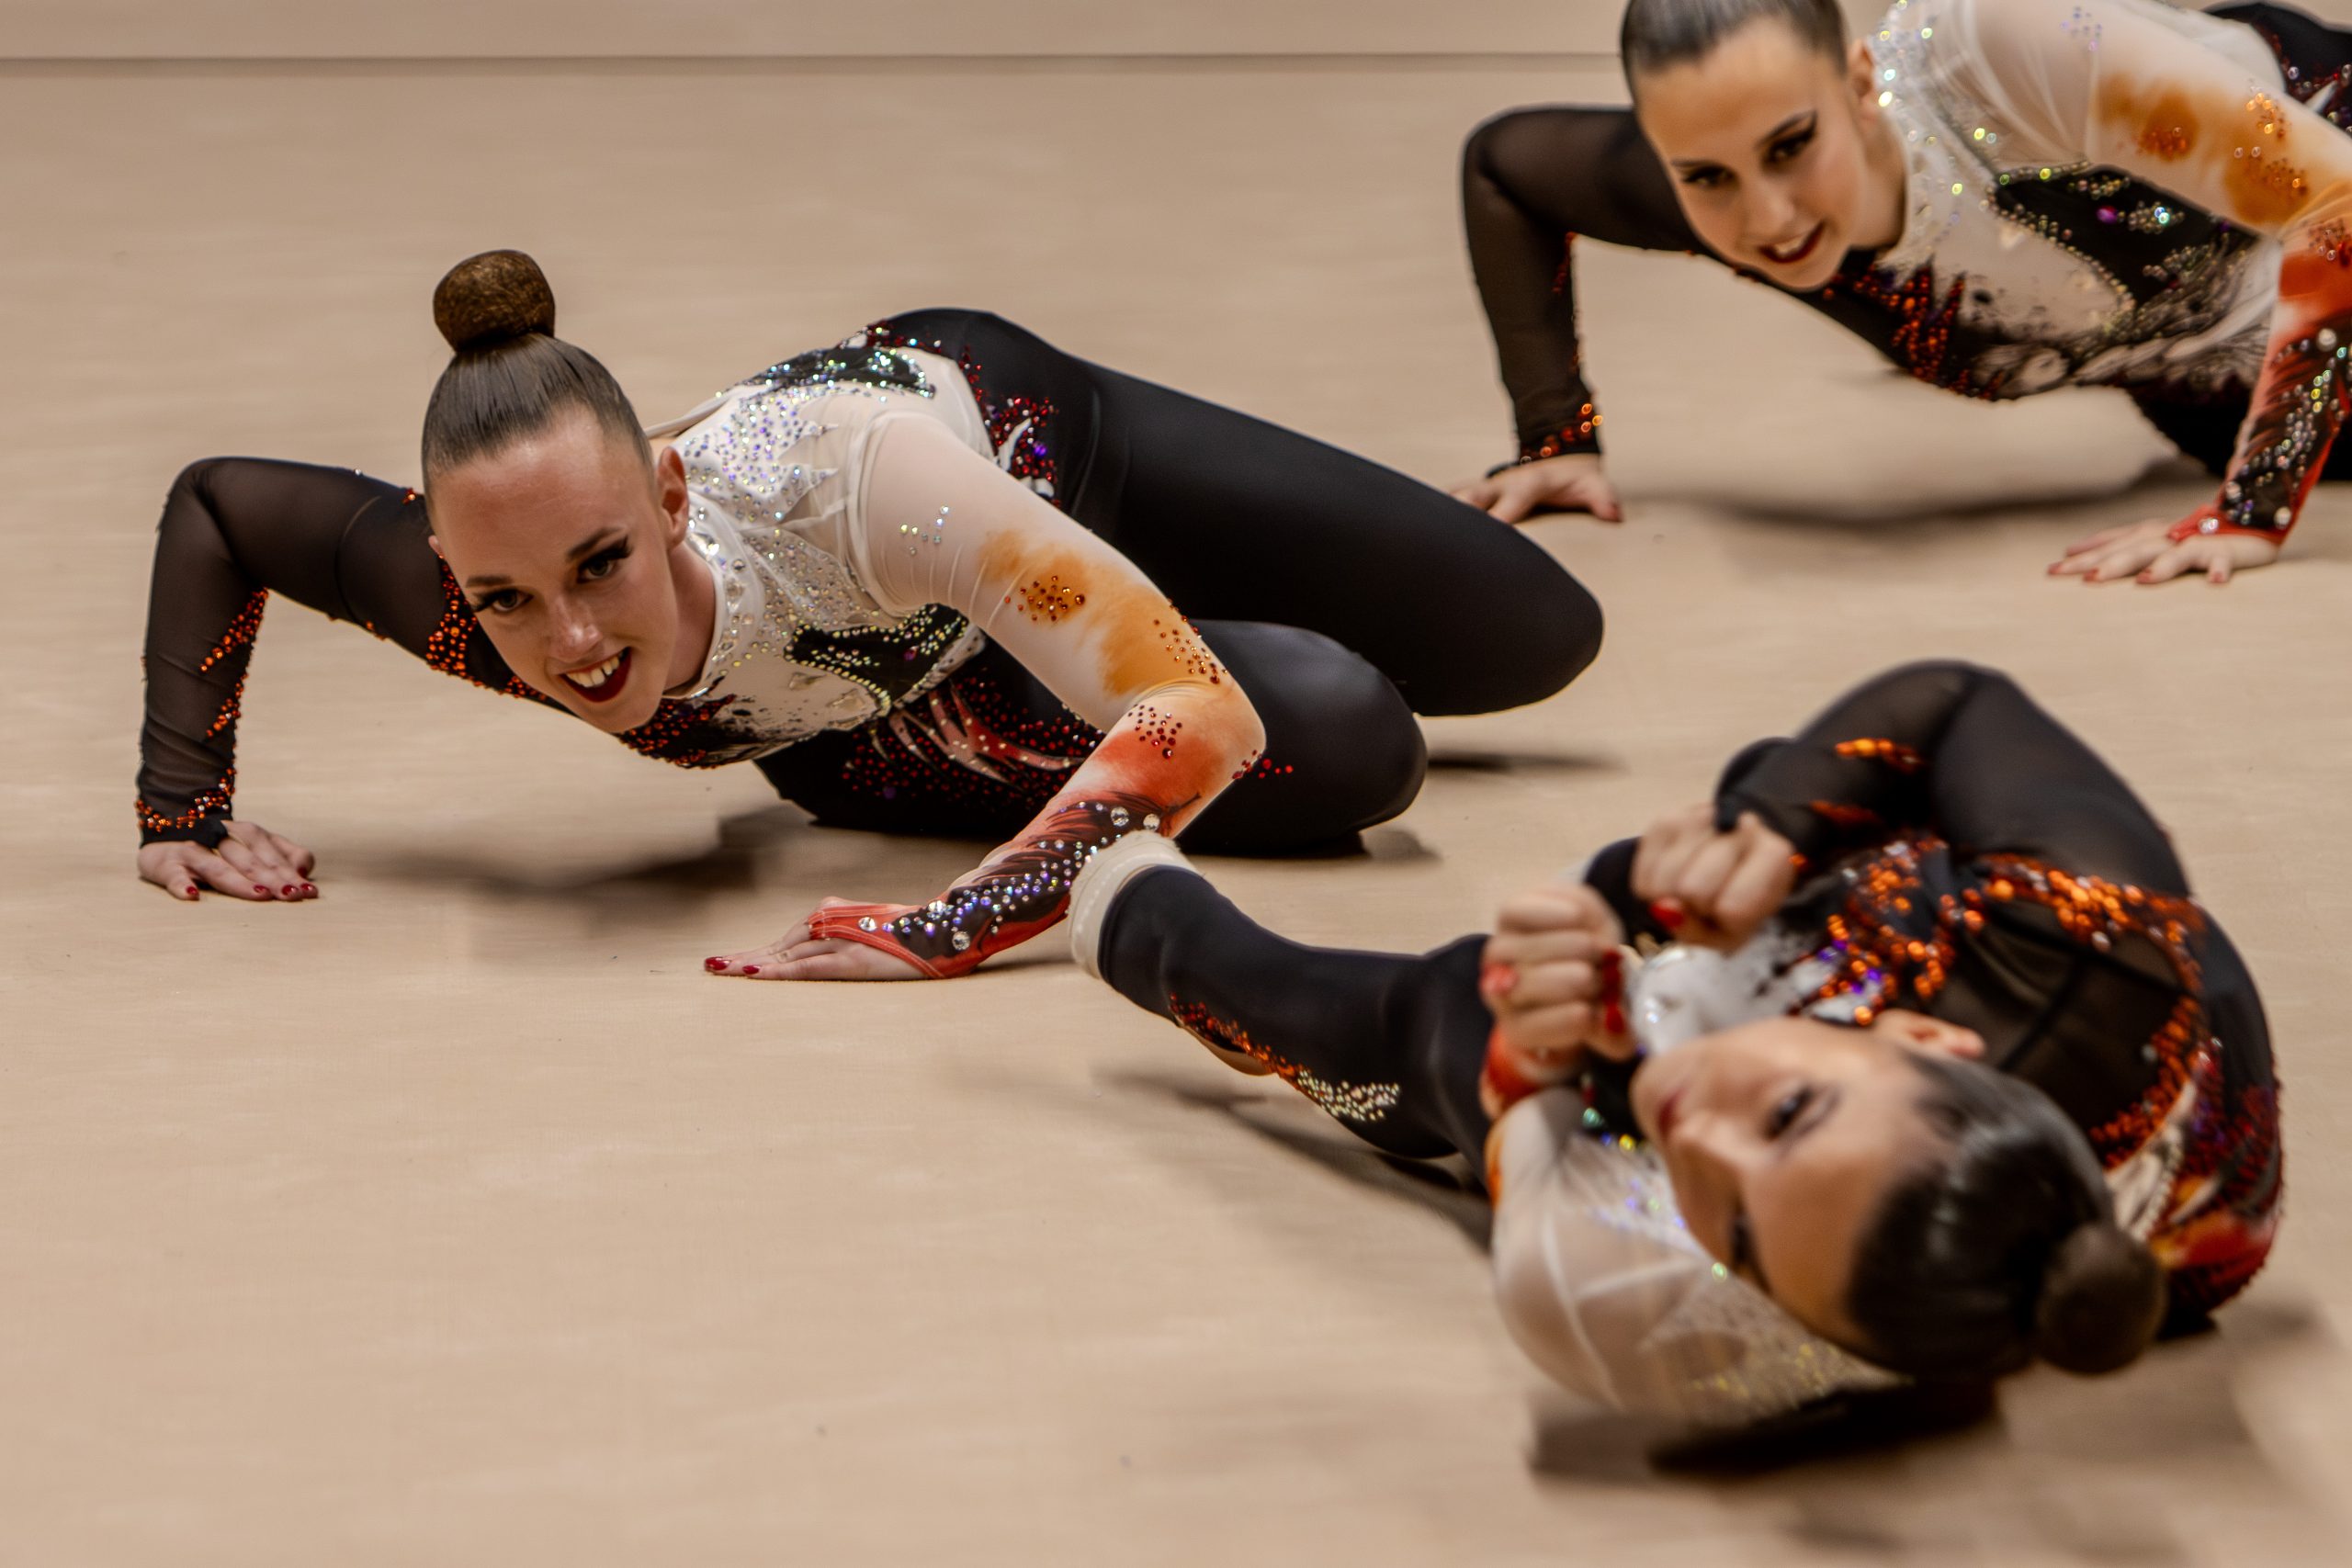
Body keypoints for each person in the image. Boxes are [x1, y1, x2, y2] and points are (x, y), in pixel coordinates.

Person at [133, 252, 1601, 979]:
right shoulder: (464, 580)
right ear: (450, 564)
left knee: (1536, 631)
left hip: (1023, 469)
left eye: (600, 565)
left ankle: (1112, 606)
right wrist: (180, 805)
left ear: (667, 498)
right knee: (1354, 737)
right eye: (504, 597)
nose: (570, 642)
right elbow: (219, 506)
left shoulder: (861, 484)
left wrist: (950, 924)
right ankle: (1034, 664)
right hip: (882, 702)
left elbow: (1192, 711)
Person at [1069, 661, 2278, 1420]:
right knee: (1768, 789)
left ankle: (1157, 938)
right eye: (1789, 1116)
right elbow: (1957, 701)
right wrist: (1768, 824)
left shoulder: (1651, 1294)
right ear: (1925, 1038)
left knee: (1445, 1020)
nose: (1698, 1138)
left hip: (1846, 1106)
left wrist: (1554, 1057)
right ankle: (1754, 867)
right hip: (1937, 939)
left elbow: (1548, 1114)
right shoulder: (2093, 939)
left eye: (1737, 1232)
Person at [1457, 0, 2352, 585]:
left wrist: (2253, 508)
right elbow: (1505, 169)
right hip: (2223, 386)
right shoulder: (1718, 188)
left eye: (1790, 146)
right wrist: (1556, 436)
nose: (1767, 215)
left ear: (1857, 85)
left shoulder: (2005, 51)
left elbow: (2336, 203)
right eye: (1703, 176)